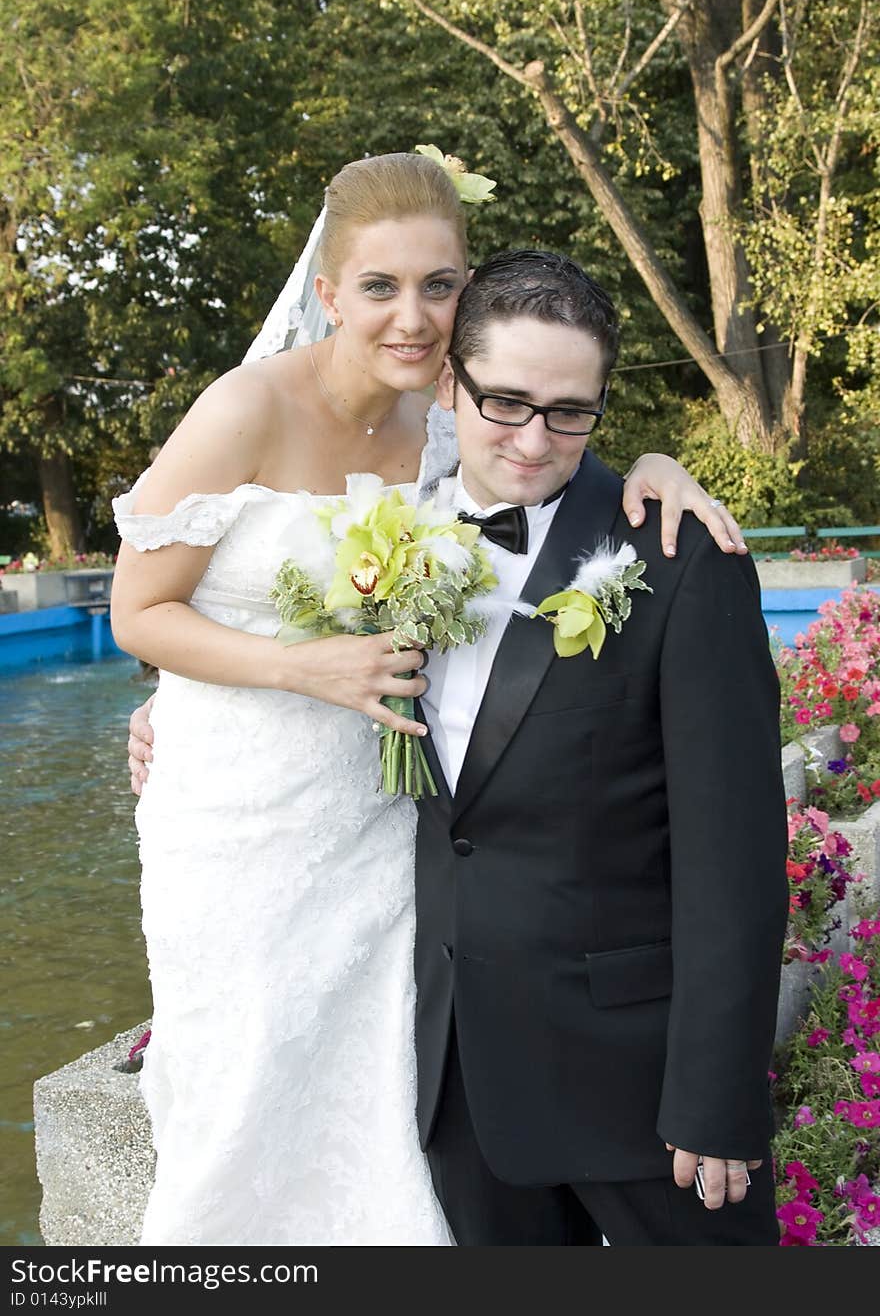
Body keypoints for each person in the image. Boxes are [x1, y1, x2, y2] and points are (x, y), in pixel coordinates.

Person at [115, 150, 751, 1246]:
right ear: (326, 292)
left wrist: (661, 462)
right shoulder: (246, 407)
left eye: (439, 286)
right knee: (240, 1103)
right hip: (247, 814)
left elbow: (556, 441)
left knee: (377, 1123)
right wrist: (265, 677)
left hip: (378, 833)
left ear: (465, 298)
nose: (412, 318)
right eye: (378, 286)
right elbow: (140, 612)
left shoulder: (456, 430)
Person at [407, 250, 789, 1245]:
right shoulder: (381, 536)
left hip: (642, 1086)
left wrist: (715, 1096)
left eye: (570, 411)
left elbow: (735, 856)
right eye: (506, 402)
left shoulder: (680, 560)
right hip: (456, 1077)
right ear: (450, 384)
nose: (535, 440)